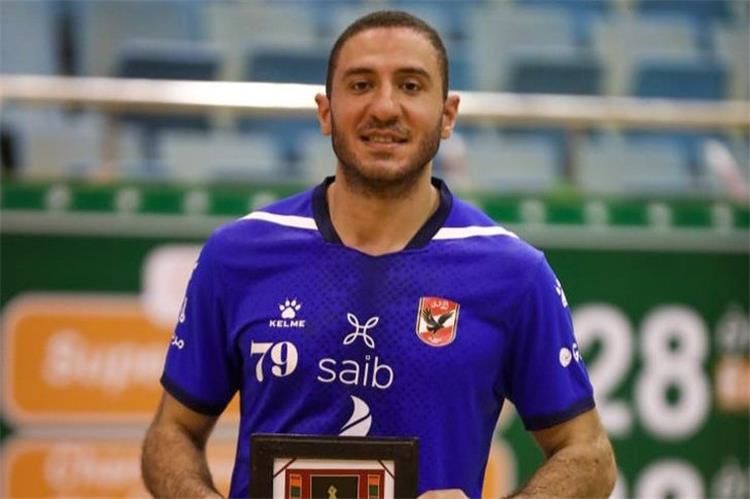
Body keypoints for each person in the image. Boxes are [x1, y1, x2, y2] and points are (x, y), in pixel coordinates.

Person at [141, 10, 616, 498]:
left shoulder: (513, 274)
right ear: (326, 112)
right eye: (361, 85)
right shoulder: (238, 255)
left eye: (410, 86)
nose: (385, 107)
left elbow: (589, 455)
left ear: (447, 115)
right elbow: (171, 433)